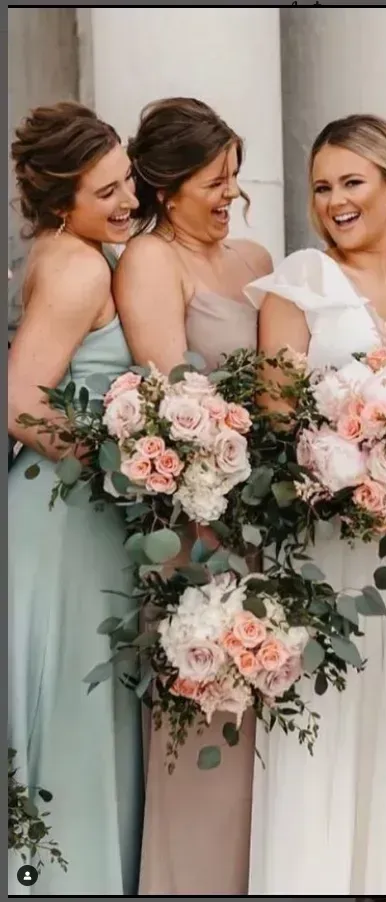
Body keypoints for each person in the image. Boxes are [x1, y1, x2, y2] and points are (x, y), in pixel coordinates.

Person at [245, 114, 386, 894]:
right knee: (325, 731)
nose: (334, 200)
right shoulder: (300, 279)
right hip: (326, 543)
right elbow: (277, 421)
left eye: (352, 182)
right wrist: (353, 466)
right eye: (321, 187)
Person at [112, 96, 273, 896]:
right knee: (206, 726)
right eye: (214, 180)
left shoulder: (252, 259)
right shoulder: (150, 261)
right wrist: (207, 530)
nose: (229, 197)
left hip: (271, 531)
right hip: (198, 532)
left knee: (263, 742)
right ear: (167, 186)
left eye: (234, 179)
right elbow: (172, 400)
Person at [6, 101, 143, 895]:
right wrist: (128, 463)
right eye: (107, 193)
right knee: (69, 701)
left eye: (127, 181)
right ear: (64, 202)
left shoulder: (76, 249)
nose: (127, 201)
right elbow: (21, 401)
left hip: (76, 513)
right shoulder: (80, 264)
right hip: (62, 514)